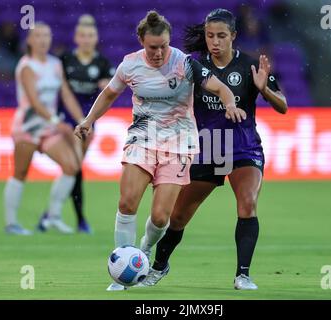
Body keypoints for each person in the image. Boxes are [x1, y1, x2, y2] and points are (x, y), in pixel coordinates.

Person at [74, 10, 246, 291]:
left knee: (160, 217)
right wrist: (88, 120)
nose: (159, 52)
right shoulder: (129, 65)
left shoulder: (185, 63)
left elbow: (220, 87)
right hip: (142, 137)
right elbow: (108, 94)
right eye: (153, 47)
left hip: (179, 144)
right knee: (127, 202)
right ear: (142, 41)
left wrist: (229, 103)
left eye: (164, 46)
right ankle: (123, 273)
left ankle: (144, 248)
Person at [140, 9, 288, 290]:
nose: (215, 41)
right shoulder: (193, 66)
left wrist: (265, 90)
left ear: (233, 36)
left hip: (243, 147)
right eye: (210, 36)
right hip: (208, 148)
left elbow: (283, 106)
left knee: (247, 204)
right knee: (179, 215)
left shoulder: (250, 66)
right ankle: (159, 267)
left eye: (221, 36)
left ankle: (242, 275)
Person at [4, 22, 85, 235]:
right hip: (28, 126)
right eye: (38, 36)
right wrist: (57, 122)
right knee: (20, 173)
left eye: (47, 36)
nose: (43, 40)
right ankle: (11, 223)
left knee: (71, 166)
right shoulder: (26, 66)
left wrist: (82, 119)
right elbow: (34, 101)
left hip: (48, 128)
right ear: (30, 40)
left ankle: (53, 216)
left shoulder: (55, 63)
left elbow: (66, 94)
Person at [56, 14, 115, 233]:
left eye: (90, 35)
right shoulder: (65, 60)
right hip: (65, 120)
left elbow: (113, 87)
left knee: (74, 168)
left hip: (88, 121)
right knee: (73, 167)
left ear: (96, 37)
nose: (86, 39)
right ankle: (76, 218)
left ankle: (56, 214)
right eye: (83, 34)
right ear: (76, 37)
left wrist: (105, 85)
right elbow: (58, 90)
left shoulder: (102, 63)